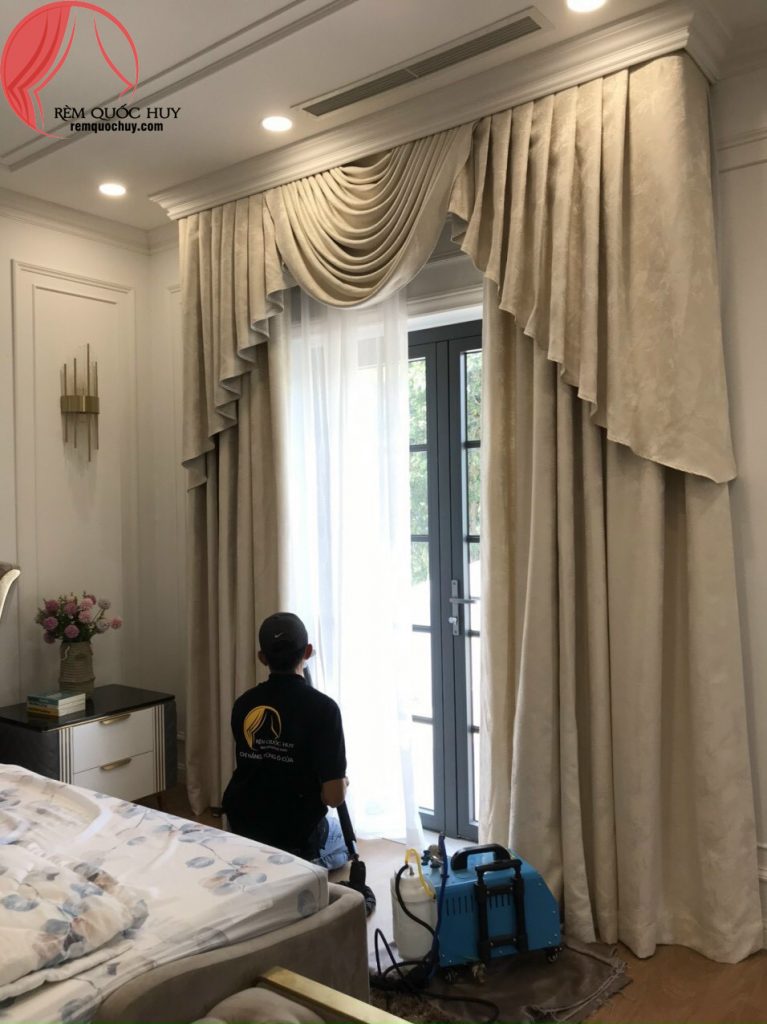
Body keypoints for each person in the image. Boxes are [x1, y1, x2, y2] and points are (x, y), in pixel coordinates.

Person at [222, 612, 349, 869]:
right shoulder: (324, 709)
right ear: (308, 652)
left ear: (262, 657)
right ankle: (298, 866)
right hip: (294, 834)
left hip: (244, 823)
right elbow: (334, 797)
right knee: (343, 842)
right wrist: (343, 782)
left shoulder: (244, 703)